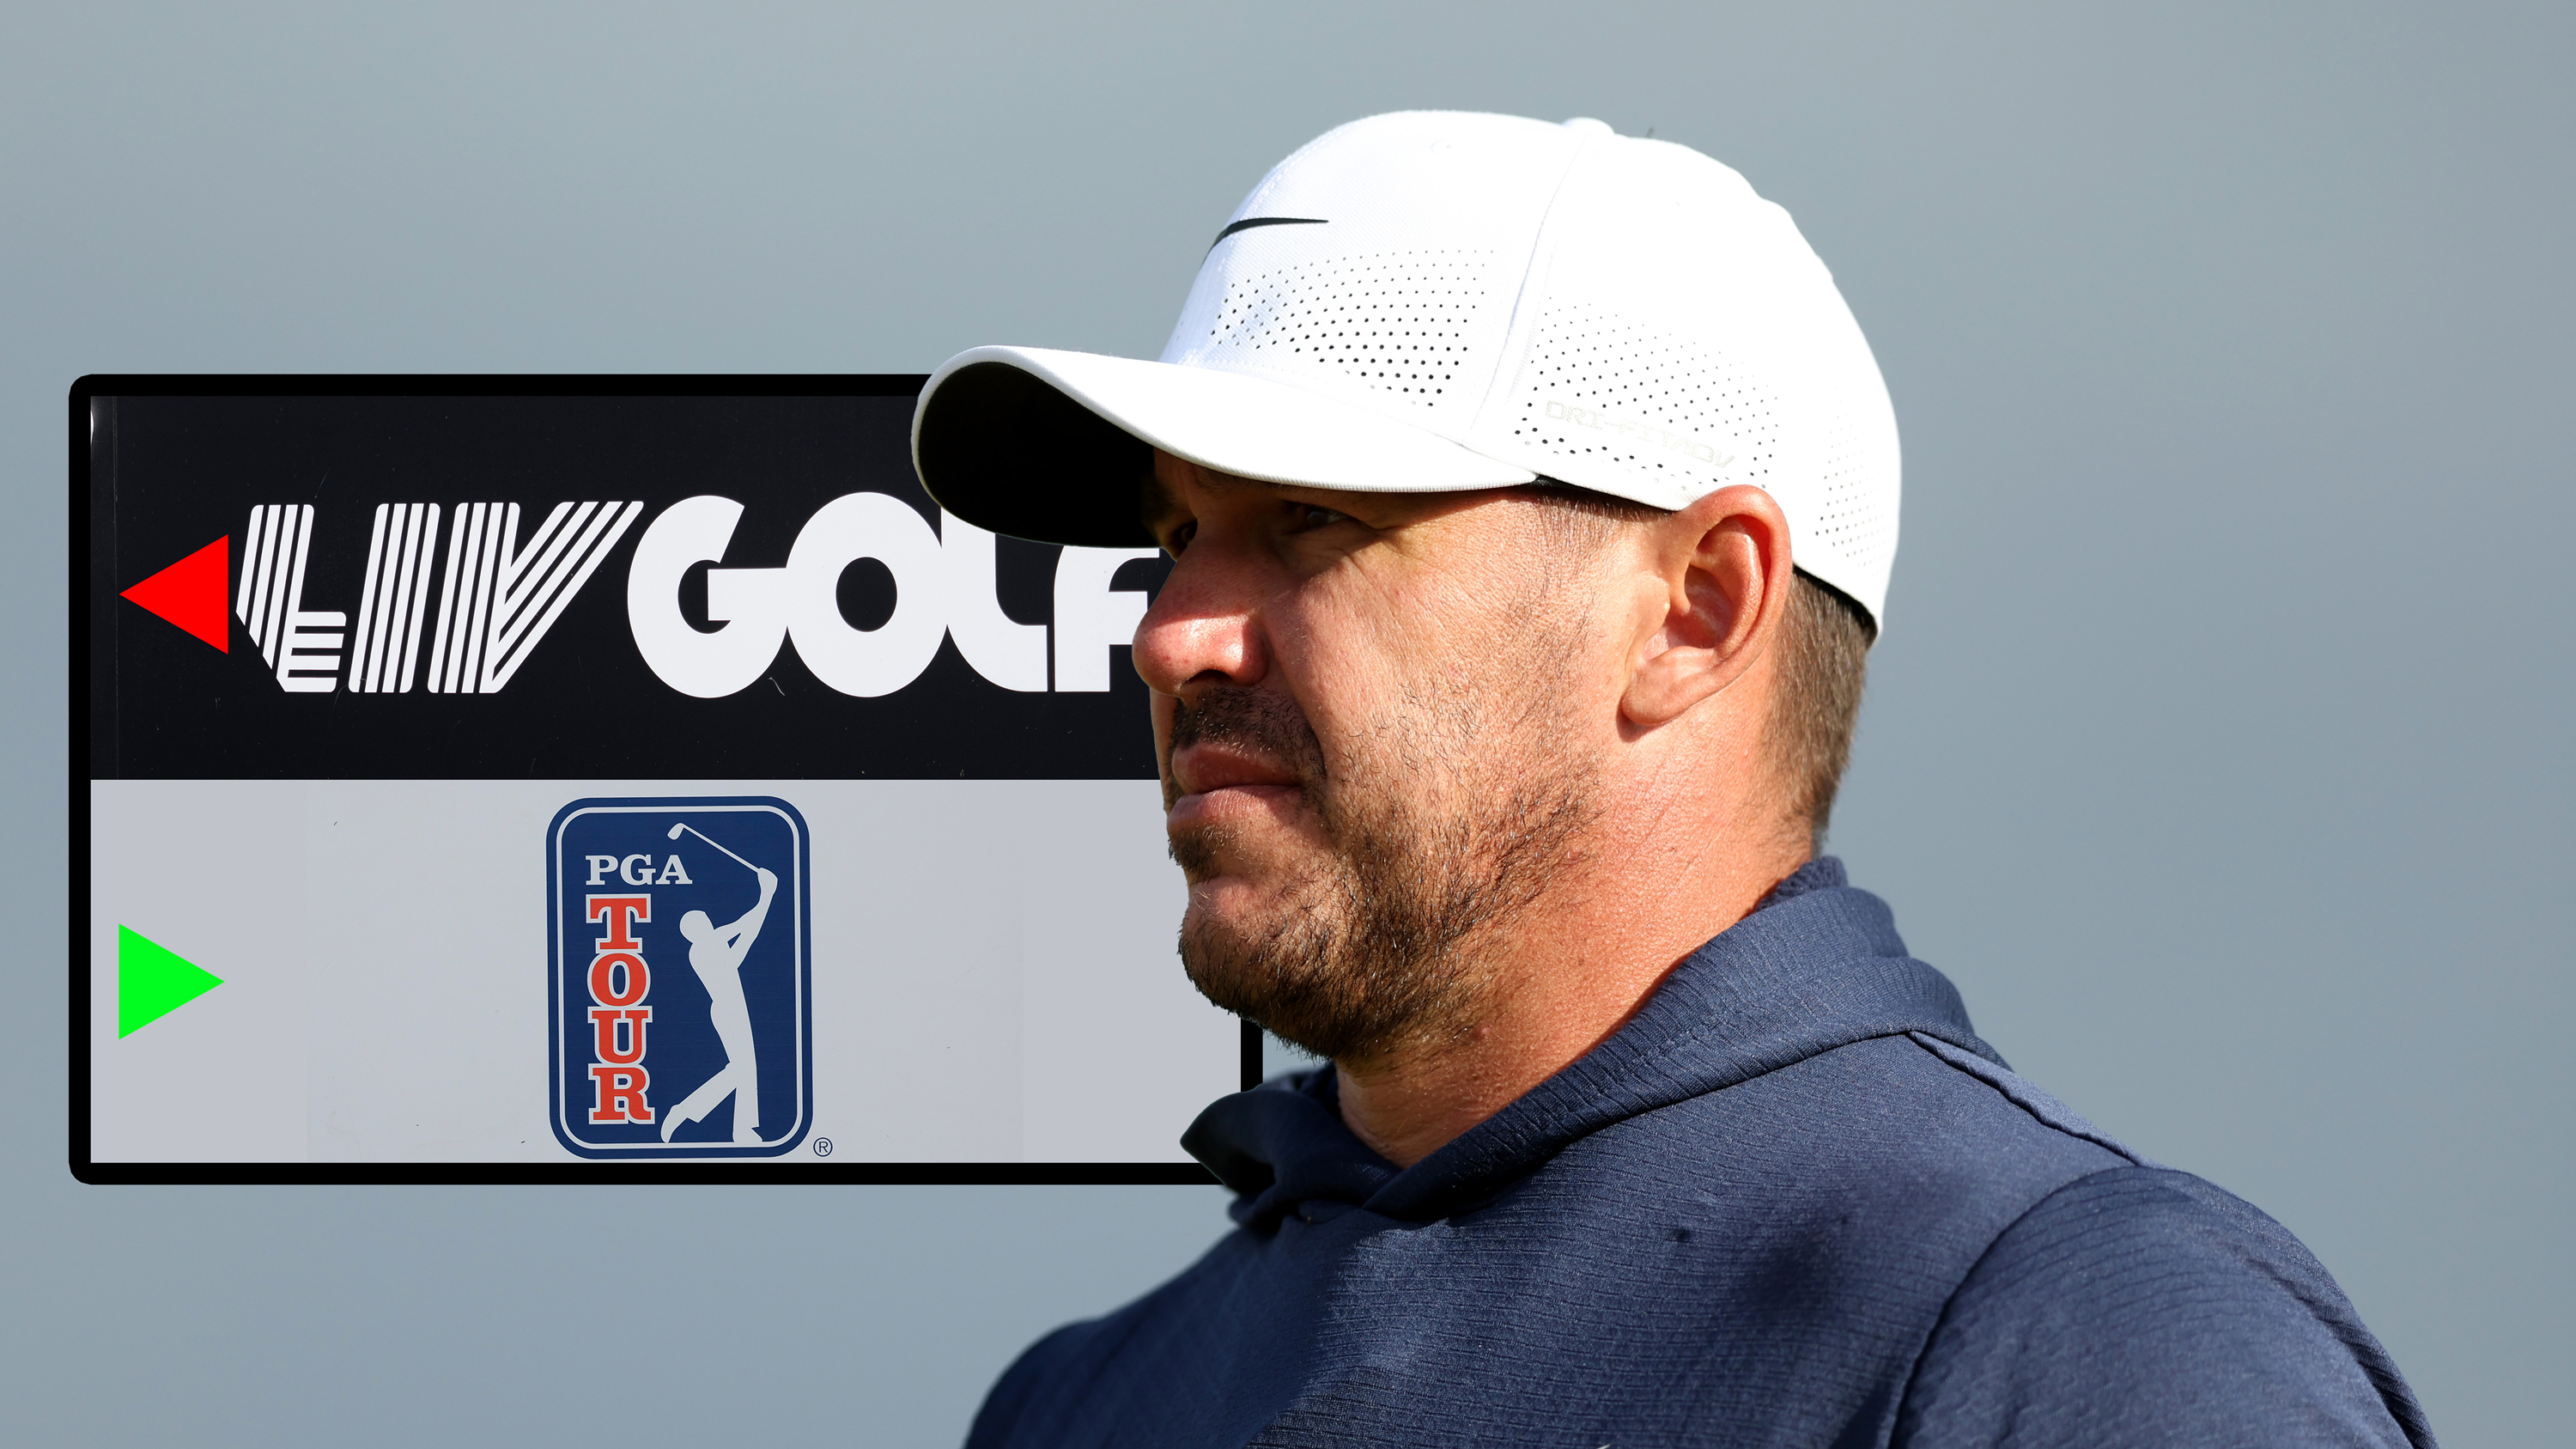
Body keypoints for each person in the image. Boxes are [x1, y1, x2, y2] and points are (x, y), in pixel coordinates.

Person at [914, 113, 2435, 1447]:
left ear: (1697, 605)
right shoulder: (1077, 1401)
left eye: (1311, 517)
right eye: (1175, 537)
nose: (1170, 635)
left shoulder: (2073, 1343)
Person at [663, 863, 776, 1145]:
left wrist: (766, 897)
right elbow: (741, 938)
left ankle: (742, 1130)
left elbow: (744, 930)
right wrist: (767, 894)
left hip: (734, 1008)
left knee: (746, 1068)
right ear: (695, 930)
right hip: (727, 1010)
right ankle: (685, 1110)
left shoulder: (712, 942)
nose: (709, 921)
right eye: (703, 921)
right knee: (740, 1069)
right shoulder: (702, 948)